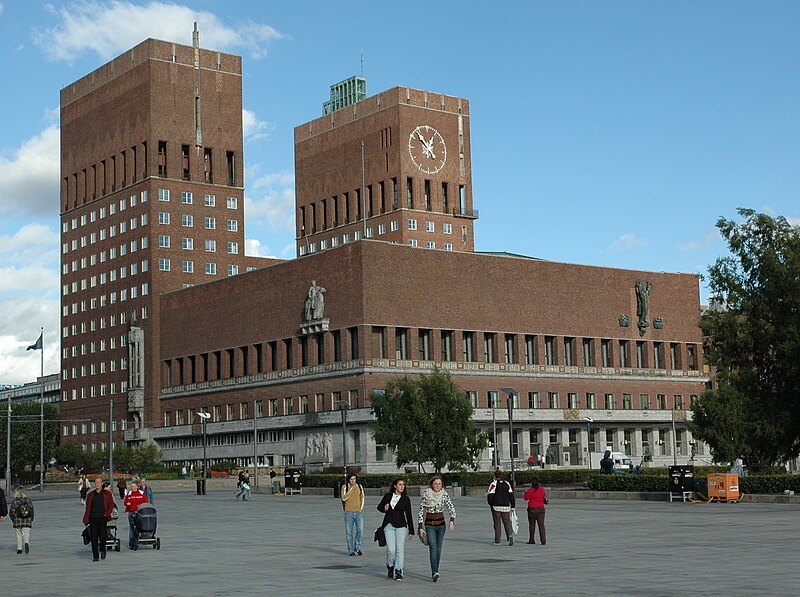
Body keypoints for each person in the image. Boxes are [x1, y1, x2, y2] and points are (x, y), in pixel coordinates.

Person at [418, 475, 456, 582]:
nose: (437, 486)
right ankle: (434, 572)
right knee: (433, 548)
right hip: (429, 525)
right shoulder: (426, 494)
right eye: (435, 484)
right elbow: (421, 511)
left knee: (439, 549)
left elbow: (451, 507)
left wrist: (452, 520)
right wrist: (420, 527)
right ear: (432, 484)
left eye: (439, 484)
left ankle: (436, 569)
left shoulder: (444, 494)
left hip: (441, 525)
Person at [377, 478, 415, 582]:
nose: (402, 487)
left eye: (403, 485)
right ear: (395, 486)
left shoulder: (406, 499)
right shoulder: (388, 496)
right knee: (391, 549)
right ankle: (390, 565)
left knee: (400, 549)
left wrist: (411, 530)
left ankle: (398, 570)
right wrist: (384, 508)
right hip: (388, 525)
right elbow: (379, 507)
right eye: (399, 484)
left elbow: (409, 515)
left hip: (401, 526)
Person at [82, 477, 115, 561]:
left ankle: (103, 549)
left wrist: (107, 513)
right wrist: (86, 519)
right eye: (96, 482)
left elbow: (111, 505)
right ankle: (95, 556)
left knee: (103, 536)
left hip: (103, 518)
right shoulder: (90, 494)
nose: (97, 484)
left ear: (102, 483)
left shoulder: (107, 493)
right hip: (93, 518)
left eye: (99, 482)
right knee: (94, 538)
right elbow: (88, 507)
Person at [487, 469, 515, 545]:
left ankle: (497, 540)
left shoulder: (493, 484)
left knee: (497, 523)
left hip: (496, 506)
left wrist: (491, 504)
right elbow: (511, 495)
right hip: (506, 506)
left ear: (495, 476)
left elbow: (490, 496)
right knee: (507, 523)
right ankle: (510, 537)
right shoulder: (507, 484)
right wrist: (513, 505)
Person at [341, 473, 365, 556]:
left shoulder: (360, 487)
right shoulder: (345, 487)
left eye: (354, 479)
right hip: (349, 512)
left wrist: (361, 508)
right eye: (351, 479)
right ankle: (351, 550)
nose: (353, 481)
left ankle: (357, 547)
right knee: (349, 533)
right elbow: (344, 498)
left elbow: (362, 497)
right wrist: (351, 489)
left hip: (358, 512)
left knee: (360, 530)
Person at [123, 481, 148, 549]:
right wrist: (127, 504)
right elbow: (125, 502)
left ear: (137, 486)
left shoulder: (141, 493)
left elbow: (146, 502)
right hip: (132, 513)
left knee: (140, 527)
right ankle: (131, 542)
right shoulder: (130, 493)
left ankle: (140, 539)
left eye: (133, 486)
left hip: (140, 513)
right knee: (132, 528)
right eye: (131, 486)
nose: (132, 488)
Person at [9, 487, 34, 554]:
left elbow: (11, 511)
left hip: (17, 520)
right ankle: (26, 542)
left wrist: (13, 519)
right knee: (26, 533)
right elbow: (31, 510)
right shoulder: (28, 500)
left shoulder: (15, 501)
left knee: (18, 534)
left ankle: (19, 549)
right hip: (27, 519)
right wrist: (31, 519)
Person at [523, 477, 547, 545]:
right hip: (541, 508)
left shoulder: (530, 490)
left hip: (532, 509)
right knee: (541, 525)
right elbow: (543, 496)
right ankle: (543, 540)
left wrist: (525, 493)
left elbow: (526, 498)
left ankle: (531, 539)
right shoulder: (541, 489)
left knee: (532, 525)